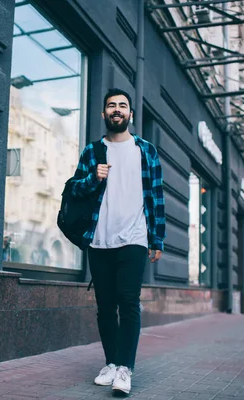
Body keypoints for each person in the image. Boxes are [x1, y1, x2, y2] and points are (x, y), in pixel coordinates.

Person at [67, 88, 165, 395]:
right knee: (105, 307)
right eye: (112, 105)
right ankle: (111, 363)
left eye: (123, 105)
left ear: (131, 114)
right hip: (99, 239)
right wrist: (93, 178)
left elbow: (157, 196)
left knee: (128, 303)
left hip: (134, 239)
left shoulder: (145, 150)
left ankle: (125, 368)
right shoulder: (93, 152)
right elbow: (73, 190)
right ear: (104, 114)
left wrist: (156, 238)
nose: (117, 109)